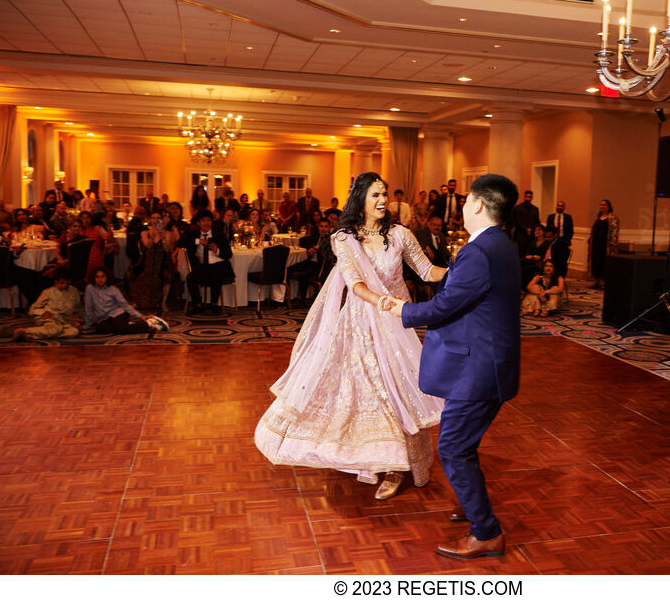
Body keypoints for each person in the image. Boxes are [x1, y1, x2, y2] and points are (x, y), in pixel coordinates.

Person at [254, 172, 448, 500]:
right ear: (360, 199)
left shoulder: (401, 234)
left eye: (384, 193)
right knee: (373, 393)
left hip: (397, 326)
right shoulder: (345, 239)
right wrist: (382, 301)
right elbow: (355, 282)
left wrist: (463, 270)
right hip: (361, 325)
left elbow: (426, 270)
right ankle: (389, 465)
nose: (383, 200)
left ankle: (410, 461)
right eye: (375, 195)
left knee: (402, 390)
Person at [388, 173, 521, 559]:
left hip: (477, 369)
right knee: (464, 444)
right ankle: (471, 503)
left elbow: (448, 304)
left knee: (453, 448)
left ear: (478, 205)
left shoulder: (479, 251)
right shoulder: (500, 244)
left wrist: (403, 309)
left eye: (466, 201)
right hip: (488, 361)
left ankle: (486, 533)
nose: (462, 207)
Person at [0, 267, 82, 341]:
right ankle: (22, 330)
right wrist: (43, 313)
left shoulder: (74, 291)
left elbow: (78, 307)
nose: (60, 286)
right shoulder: (48, 292)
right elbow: (33, 309)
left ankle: (29, 336)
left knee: (74, 332)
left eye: (63, 283)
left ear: (69, 281)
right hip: (49, 318)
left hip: (64, 320)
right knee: (54, 330)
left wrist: (77, 318)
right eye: (58, 283)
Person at [181, 210, 234, 315]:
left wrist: (217, 250)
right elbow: (180, 242)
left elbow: (229, 254)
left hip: (219, 264)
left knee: (216, 271)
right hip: (202, 266)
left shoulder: (219, 235)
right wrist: (198, 241)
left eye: (209, 220)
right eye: (203, 221)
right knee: (190, 277)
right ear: (198, 223)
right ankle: (197, 304)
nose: (206, 223)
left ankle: (214, 304)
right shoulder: (194, 235)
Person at [83, 265, 155, 335]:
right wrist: (88, 324)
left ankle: (148, 325)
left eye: (103, 276)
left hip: (119, 314)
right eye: (97, 277)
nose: (100, 279)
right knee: (100, 329)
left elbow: (125, 305)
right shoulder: (89, 289)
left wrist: (141, 316)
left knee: (122, 330)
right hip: (104, 319)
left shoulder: (113, 289)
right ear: (93, 278)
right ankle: (128, 325)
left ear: (107, 277)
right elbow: (88, 307)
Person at [132, 210, 175, 315]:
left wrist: (162, 237)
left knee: (167, 275)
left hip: (164, 261)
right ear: (150, 220)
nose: (156, 220)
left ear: (161, 220)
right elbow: (148, 245)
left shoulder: (168, 233)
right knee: (146, 275)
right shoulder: (145, 232)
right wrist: (152, 236)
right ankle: (144, 301)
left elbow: (167, 248)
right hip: (150, 261)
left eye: (158, 218)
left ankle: (163, 302)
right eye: (153, 218)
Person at [588, 199, 619, 289]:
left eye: (604, 205)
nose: (602, 206)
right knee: (596, 263)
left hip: (606, 246)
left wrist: (613, 244)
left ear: (609, 207)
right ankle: (597, 282)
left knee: (605, 263)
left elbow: (615, 232)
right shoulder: (598, 218)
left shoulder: (613, 218)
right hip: (596, 245)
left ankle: (606, 282)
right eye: (601, 205)